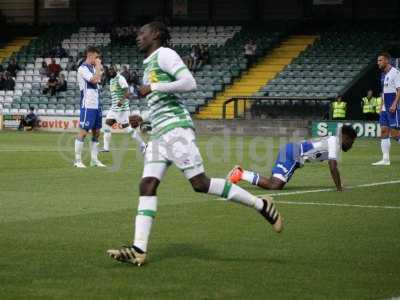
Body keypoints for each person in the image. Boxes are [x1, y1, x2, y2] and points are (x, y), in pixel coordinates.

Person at [106, 22, 283, 266]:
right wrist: (144, 116)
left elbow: (189, 83)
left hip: (176, 130)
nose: (138, 37)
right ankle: (139, 249)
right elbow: (164, 100)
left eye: (142, 33)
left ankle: (261, 204)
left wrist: (152, 86)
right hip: (159, 133)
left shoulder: (165, 54)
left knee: (200, 184)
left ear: (155, 35)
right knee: (147, 186)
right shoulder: (149, 63)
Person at [228, 125, 357, 192]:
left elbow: (334, 166)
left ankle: (241, 173)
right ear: (346, 138)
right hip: (293, 154)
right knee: (275, 186)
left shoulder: (333, 141)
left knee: (274, 183)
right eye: (352, 141)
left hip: (293, 153)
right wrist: (339, 188)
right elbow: (333, 167)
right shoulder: (335, 142)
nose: (352, 145)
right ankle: (240, 174)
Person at [74, 46, 105, 168]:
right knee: (83, 132)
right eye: (97, 57)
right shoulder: (82, 68)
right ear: (90, 55)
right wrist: (98, 67)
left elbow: (99, 80)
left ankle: (94, 160)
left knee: (97, 132)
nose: (98, 59)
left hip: (97, 104)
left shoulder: (93, 68)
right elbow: (94, 80)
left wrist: (97, 68)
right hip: (88, 105)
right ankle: (77, 161)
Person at [102, 66, 146, 153]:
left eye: (112, 70)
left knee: (127, 129)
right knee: (107, 126)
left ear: (116, 71)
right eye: (110, 70)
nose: (110, 71)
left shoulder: (120, 78)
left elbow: (127, 91)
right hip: (114, 108)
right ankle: (106, 148)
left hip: (122, 109)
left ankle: (143, 145)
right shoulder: (111, 80)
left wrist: (121, 101)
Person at [372, 52, 400, 166]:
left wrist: (394, 104)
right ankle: (385, 159)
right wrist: (381, 106)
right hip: (385, 107)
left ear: (387, 61)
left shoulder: (396, 73)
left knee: (394, 133)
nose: (378, 62)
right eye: (378, 60)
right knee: (383, 131)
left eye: (380, 60)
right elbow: (384, 92)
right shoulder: (383, 74)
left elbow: (399, 90)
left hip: (393, 106)